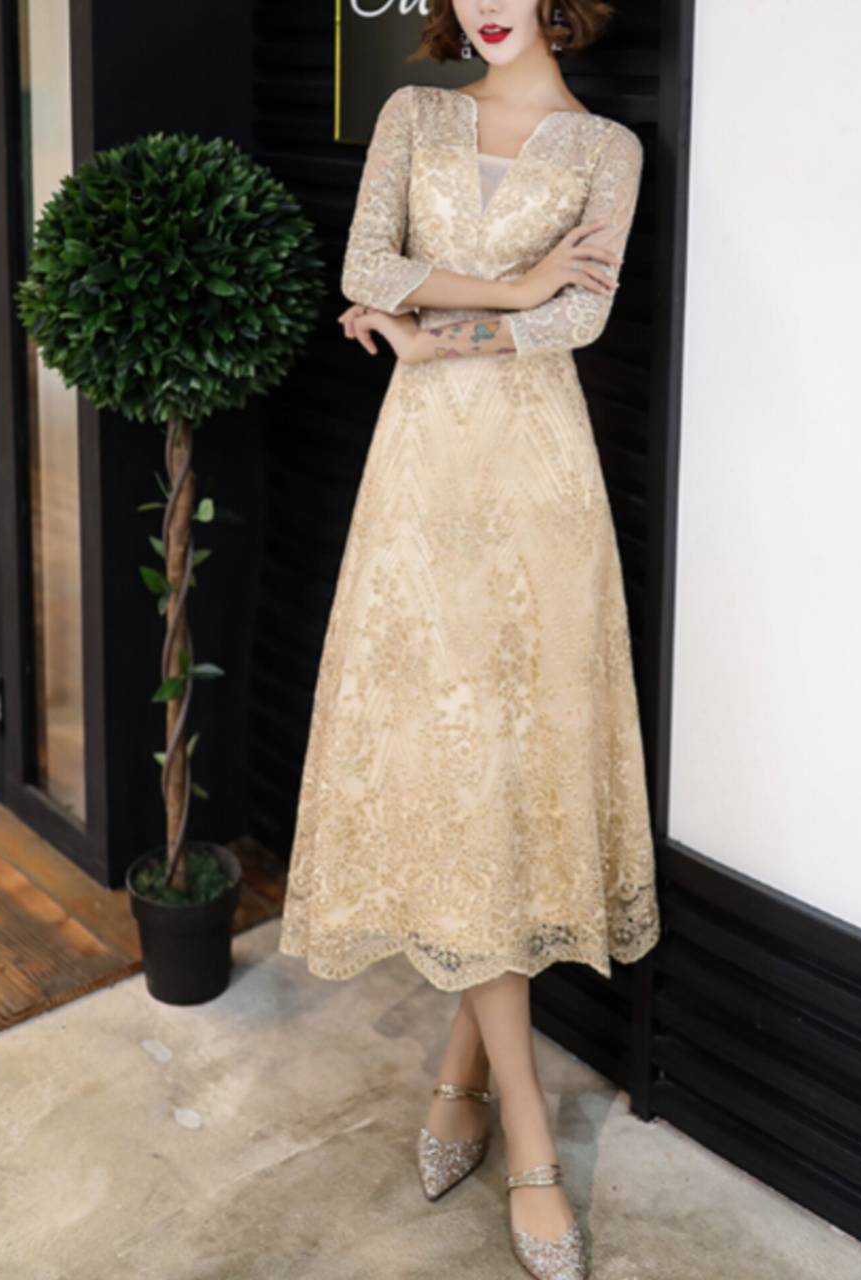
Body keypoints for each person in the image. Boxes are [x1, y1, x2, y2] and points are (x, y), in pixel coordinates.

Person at [277, 2, 661, 1275]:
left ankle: (467, 1076)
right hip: (420, 471)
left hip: (539, 477)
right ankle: (527, 1128)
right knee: (451, 758)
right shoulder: (414, 113)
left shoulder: (606, 148)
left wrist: (433, 328)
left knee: (505, 763)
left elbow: (579, 318)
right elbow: (364, 262)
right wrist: (505, 289)